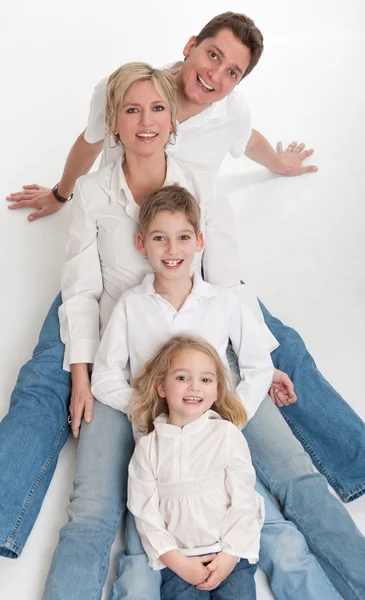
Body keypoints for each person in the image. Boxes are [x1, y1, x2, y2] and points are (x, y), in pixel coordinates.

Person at [5, 11, 364, 508]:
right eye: (212, 55)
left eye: (232, 72)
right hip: (113, 262)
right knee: (48, 374)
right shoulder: (129, 90)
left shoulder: (229, 113)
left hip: (185, 263)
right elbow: (90, 142)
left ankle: (356, 463)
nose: (215, 76)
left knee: (281, 348)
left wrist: (278, 163)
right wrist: (62, 194)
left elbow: (247, 137)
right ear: (191, 44)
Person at [128, 335, 263, 600]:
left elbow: (245, 500)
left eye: (205, 380)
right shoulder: (148, 447)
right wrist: (177, 562)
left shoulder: (225, 434)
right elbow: (145, 512)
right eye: (181, 378)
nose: (194, 387)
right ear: (162, 388)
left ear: (216, 392)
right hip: (178, 564)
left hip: (231, 557)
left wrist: (230, 555)